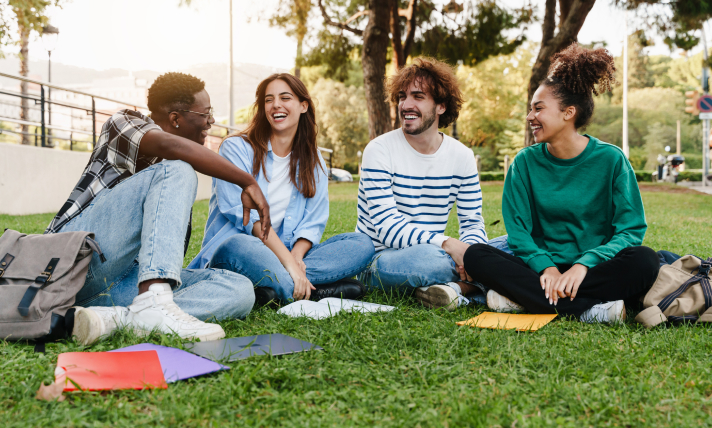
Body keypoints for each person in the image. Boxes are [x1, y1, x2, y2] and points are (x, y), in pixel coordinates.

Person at [49, 72, 271, 345]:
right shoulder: (122, 123)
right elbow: (170, 145)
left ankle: (115, 318)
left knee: (239, 289)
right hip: (73, 263)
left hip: (122, 282)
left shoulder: (170, 182)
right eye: (206, 113)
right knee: (179, 169)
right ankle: (151, 303)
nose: (211, 121)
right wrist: (247, 180)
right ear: (176, 118)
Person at [461, 44, 660, 323]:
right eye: (530, 109)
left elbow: (630, 230)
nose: (530, 117)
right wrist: (547, 268)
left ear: (568, 113)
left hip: (594, 269)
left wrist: (583, 265)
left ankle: (525, 300)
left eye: (538, 108)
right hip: (538, 270)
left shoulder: (612, 160)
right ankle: (590, 309)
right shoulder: (524, 163)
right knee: (476, 255)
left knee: (645, 261)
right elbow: (518, 234)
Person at [189, 73, 375, 306]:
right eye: (269, 100)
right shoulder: (236, 148)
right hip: (240, 252)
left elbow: (313, 222)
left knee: (361, 244)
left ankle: (272, 290)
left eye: (285, 97)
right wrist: (288, 262)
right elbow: (247, 219)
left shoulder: (314, 158)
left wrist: (296, 258)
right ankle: (310, 291)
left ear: (303, 106)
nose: (276, 104)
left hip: (285, 256)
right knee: (240, 245)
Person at [356, 57, 491, 311]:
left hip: (435, 251)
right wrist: (450, 245)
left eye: (418, 97)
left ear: (441, 106)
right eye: (401, 97)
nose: (406, 105)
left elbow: (473, 223)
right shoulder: (379, 150)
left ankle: (452, 290)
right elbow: (387, 228)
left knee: (509, 247)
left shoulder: (462, 156)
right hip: (380, 261)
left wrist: (470, 254)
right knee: (432, 262)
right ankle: (479, 286)